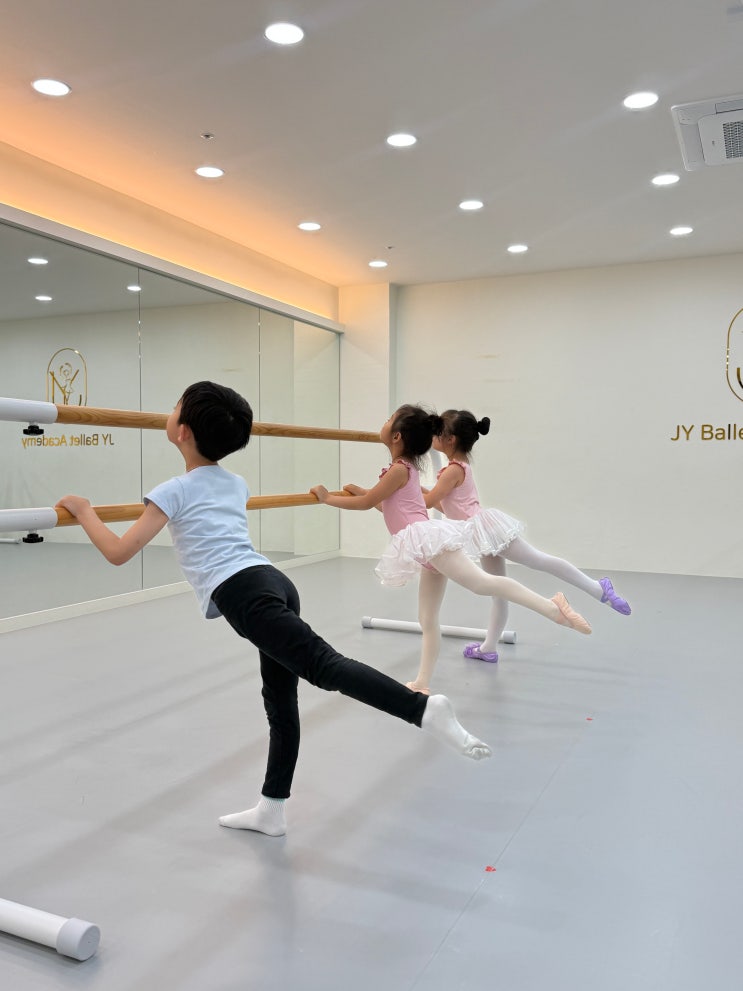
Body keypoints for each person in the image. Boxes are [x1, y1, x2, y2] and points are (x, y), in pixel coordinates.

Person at [55, 382, 493, 839]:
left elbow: (119, 552)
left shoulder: (172, 491)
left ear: (182, 431)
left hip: (246, 595)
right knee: (280, 701)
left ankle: (422, 709)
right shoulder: (234, 482)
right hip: (273, 582)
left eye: (174, 407)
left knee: (324, 667)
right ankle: (271, 808)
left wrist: (83, 510)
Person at [310, 405, 592, 695]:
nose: (383, 422)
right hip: (426, 550)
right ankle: (422, 682)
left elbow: (367, 503)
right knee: (427, 619)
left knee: (482, 584)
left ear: (396, 436)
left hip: (431, 544)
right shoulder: (405, 469)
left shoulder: (398, 470)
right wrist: (361, 492)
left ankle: (553, 608)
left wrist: (327, 498)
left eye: (388, 419)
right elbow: (384, 506)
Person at [424, 409, 631, 665]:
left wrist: (402, 490)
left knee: (537, 561)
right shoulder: (458, 467)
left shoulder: (452, 471)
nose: (433, 438)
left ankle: (598, 587)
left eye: (437, 433)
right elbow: (447, 507)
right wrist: (418, 491)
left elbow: (429, 501)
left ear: (450, 439)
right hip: (479, 533)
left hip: (486, 531)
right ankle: (488, 648)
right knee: (499, 589)